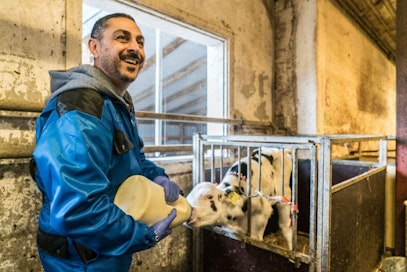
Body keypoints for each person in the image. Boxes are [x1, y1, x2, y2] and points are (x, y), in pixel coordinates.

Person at [31, 13, 180, 271]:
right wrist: (145, 235)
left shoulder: (118, 103)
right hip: (82, 256)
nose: (135, 48)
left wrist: (158, 177)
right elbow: (77, 209)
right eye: (122, 38)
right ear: (94, 47)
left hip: (107, 245)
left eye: (140, 42)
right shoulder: (82, 108)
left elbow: (135, 159)